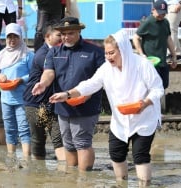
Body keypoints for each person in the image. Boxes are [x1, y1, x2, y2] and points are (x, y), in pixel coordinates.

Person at [49, 29, 164, 185]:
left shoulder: (141, 64)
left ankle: (144, 184)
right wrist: (67, 94)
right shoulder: (106, 69)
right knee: (116, 154)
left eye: (112, 53)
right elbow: (90, 84)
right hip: (120, 119)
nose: (108, 57)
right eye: (106, 53)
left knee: (140, 155)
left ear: (122, 50)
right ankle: (121, 183)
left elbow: (158, 89)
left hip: (144, 118)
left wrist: (145, 103)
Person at [32, 17, 105, 171]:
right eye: (63, 34)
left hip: (86, 104)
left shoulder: (95, 51)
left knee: (82, 141)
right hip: (63, 104)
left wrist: (86, 95)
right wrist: (43, 84)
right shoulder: (54, 51)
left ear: (79, 31)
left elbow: (101, 79)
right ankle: (72, 174)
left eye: (70, 33)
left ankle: (84, 177)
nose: (66, 37)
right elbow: (49, 73)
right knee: (68, 143)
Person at [0, 23, 34, 157]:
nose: (12, 40)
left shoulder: (28, 54)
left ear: (20, 37)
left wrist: (21, 80)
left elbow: (35, 74)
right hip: (6, 98)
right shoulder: (1, 55)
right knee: (9, 129)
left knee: (24, 129)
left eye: (15, 36)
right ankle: (11, 156)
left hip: (22, 98)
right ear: (6, 38)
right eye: (9, 37)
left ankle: (26, 159)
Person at [23, 23, 65, 161]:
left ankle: (66, 172)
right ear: (48, 36)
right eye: (59, 35)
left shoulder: (59, 51)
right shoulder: (43, 54)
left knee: (58, 137)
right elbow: (56, 71)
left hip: (51, 102)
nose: (62, 38)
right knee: (38, 140)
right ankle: (38, 173)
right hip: (35, 103)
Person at [132, 0, 177, 90]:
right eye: (160, 13)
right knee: (153, 87)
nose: (161, 15)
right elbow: (135, 38)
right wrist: (141, 54)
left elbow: (168, 39)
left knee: (164, 84)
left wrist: (174, 55)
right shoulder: (147, 22)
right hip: (150, 62)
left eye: (163, 13)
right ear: (153, 10)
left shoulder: (165, 22)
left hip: (163, 61)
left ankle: (160, 104)